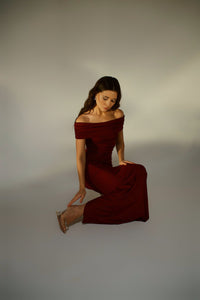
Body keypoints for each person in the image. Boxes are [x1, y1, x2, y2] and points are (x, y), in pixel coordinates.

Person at [56, 76, 149, 233]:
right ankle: (77, 211)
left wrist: (121, 160)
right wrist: (81, 185)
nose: (108, 104)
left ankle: (83, 210)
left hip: (108, 167)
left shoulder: (117, 115)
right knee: (125, 191)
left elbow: (120, 142)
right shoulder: (83, 120)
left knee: (140, 171)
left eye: (113, 100)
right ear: (95, 94)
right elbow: (80, 156)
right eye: (105, 98)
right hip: (91, 169)